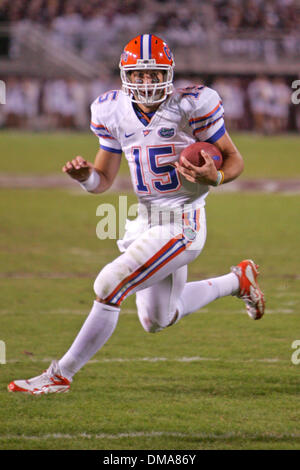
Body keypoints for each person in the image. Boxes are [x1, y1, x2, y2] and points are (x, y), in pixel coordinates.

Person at [8, 34, 265, 395]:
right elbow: (103, 181)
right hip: (146, 219)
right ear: (125, 74)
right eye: (139, 75)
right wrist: (86, 179)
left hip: (182, 223)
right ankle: (238, 281)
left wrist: (217, 176)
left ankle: (60, 374)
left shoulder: (193, 105)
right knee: (158, 319)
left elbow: (234, 158)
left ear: (169, 73)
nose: (147, 82)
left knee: (110, 283)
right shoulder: (110, 109)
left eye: (155, 74)